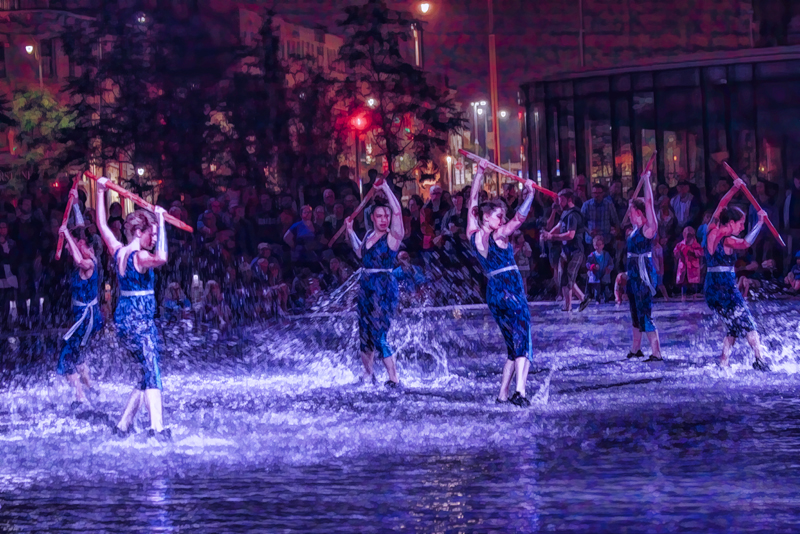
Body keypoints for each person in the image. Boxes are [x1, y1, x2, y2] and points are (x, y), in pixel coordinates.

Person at [96, 177, 171, 440]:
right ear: (139, 233)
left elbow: (102, 224)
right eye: (151, 233)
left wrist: (100, 190)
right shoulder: (139, 256)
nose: (154, 238)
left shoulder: (118, 251)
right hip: (140, 321)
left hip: (125, 320)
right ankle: (157, 429)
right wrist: (161, 220)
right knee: (153, 371)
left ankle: (123, 426)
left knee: (143, 372)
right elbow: (162, 257)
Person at [467, 160, 535, 407]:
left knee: (511, 343)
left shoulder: (473, 235)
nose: (501, 219)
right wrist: (531, 195)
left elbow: (472, 203)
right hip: (510, 289)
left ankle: (502, 394)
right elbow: (519, 219)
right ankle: (521, 392)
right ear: (486, 217)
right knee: (524, 340)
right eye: (498, 215)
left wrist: (479, 173)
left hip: (493, 293)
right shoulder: (498, 235)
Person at [703, 178, 770, 371]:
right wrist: (759, 223)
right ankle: (759, 360)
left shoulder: (711, 230)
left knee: (733, 325)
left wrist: (734, 187)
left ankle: (723, 363)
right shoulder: (726, 240)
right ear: (731, 222)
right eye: (740, 224)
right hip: (725, 288)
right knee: (748, 322)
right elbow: (746, 243)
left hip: (711, 288)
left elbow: (721, 204)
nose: (742, 227)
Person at [345, 179, 404, 387]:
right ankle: (368, 374)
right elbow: (360, 252)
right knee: (365, 333)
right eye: (379, 216)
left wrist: (385, 188)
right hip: (367, 288)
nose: (384, 219)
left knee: (379, 334)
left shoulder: (392, 238)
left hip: (384, 288)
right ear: (372, 218)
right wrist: (350, 231)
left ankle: (393, 378)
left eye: (386, 216)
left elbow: (398, 213)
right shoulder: (369, 235)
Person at [57, 218, 103, 407]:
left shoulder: (89, 263)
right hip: (84, 317)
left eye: (78, 245)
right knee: (77, 353)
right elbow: (77, 248)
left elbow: (78, 257)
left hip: (86, 318)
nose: (73, 248)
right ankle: (91, 387)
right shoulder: (84, 262)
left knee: (66, 356)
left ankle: (80, 395)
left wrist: (67, 234)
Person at [624, 171, 664, 361]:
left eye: (631, 211)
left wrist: (647, 180)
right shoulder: (634, 230)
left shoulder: (648, 229)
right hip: (632, 275)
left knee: (645, 311)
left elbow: (649, 203)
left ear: (639, 213)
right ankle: (636, 348)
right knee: (635, 312)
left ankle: (656, 352)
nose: (629, 214)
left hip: (643, 275)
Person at [542, 189, 589, 312]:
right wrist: (548, 234)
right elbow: (559, 226)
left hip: (576, 250)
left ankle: (574, 303)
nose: (560, 202)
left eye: (562, 200)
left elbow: (570, 235)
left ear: (569, 200)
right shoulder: (565, 213)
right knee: (563, 277)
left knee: (569, 277)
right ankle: (576, 301)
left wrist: (552, 237)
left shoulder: (574, 214)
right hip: (566, 250)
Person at [674, 226, 703, 301]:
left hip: (693, 266)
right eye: (687, 236)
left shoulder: (696, 245)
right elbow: (675, 252)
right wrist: (679, 254)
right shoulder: (680, 245)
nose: (689, 238)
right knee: (684, 281)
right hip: (684, 266)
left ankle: (694, 295)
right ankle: (683, 295)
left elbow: (701, 253)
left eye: (690, 236)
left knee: (694, 283)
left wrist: (692, 251)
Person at [586, 235, 613, 303]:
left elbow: (611, 264)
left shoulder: (606, 254)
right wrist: (592, 266)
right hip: (596, 275)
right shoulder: (592, 255)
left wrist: (609, 268)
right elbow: (587, 264)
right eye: (596, 245)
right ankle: (597, 300)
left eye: (599, 244)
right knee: (597, 290)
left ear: (603, 245)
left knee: (606, 288)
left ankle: (606, 299)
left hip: (604, 274)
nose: (598, 247)